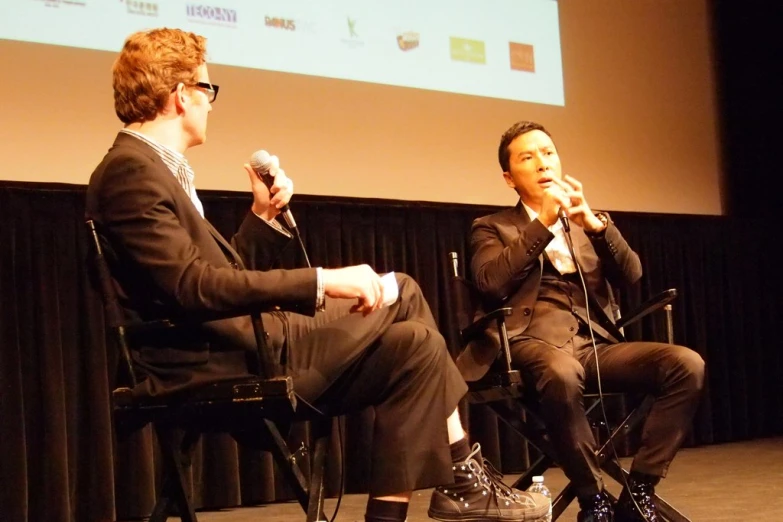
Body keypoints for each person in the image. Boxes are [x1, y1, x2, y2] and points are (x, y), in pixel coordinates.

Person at [85, 29, 549, 522]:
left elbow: (208, 276)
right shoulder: (131, 172)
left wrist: (261, 220)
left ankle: (454, 482)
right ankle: (462, 473)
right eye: (207, 90)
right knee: (405, 293)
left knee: (418, 346)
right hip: (205, 363)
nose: (210, 103)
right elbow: (194, 288)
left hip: (231, 343)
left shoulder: (155, 169)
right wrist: (323, 280)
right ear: (181, 96)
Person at [457, 121, 706, 522]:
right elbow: (490, 281)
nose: (543, 162)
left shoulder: (587, 223)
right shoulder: (492, 226)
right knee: (561, 371)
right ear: (509, 178)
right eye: (528, 157)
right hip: (528, 343)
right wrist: (542, 224)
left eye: (549, 153)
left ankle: (639, 489)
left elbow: (632, 275)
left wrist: (596, 224)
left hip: (593, 347)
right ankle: (593, 499)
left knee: (686, 364)